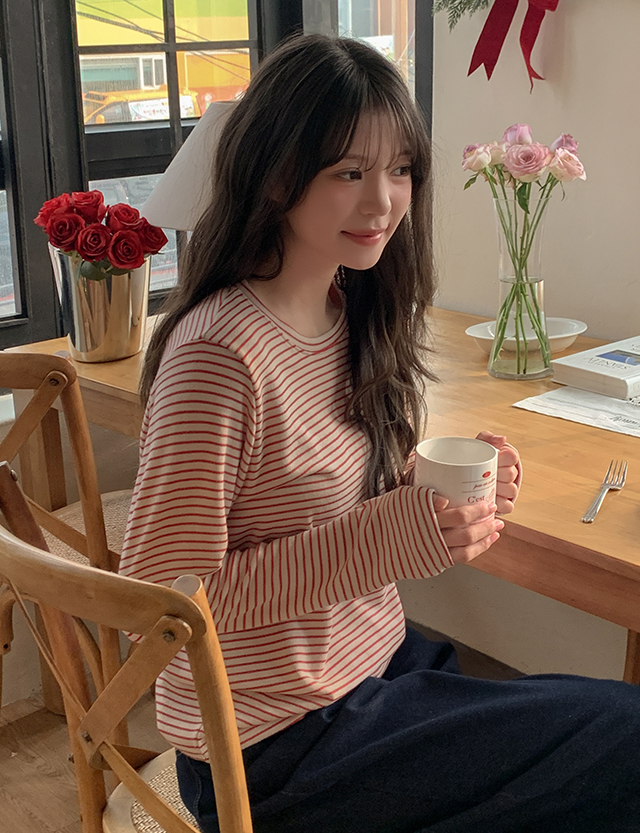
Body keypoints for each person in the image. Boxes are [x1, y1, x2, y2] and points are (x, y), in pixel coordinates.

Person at [119, 33, 640, 833]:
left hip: (374, 669)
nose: (383, 202)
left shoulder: (349, 312)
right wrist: (387, 536)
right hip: (272, 748)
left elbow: (317, 510)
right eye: (348, 172)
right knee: (621, 739)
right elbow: (159, 605)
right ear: (275, 173)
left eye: (400, 169)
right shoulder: (219, 356)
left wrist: (429, 504)